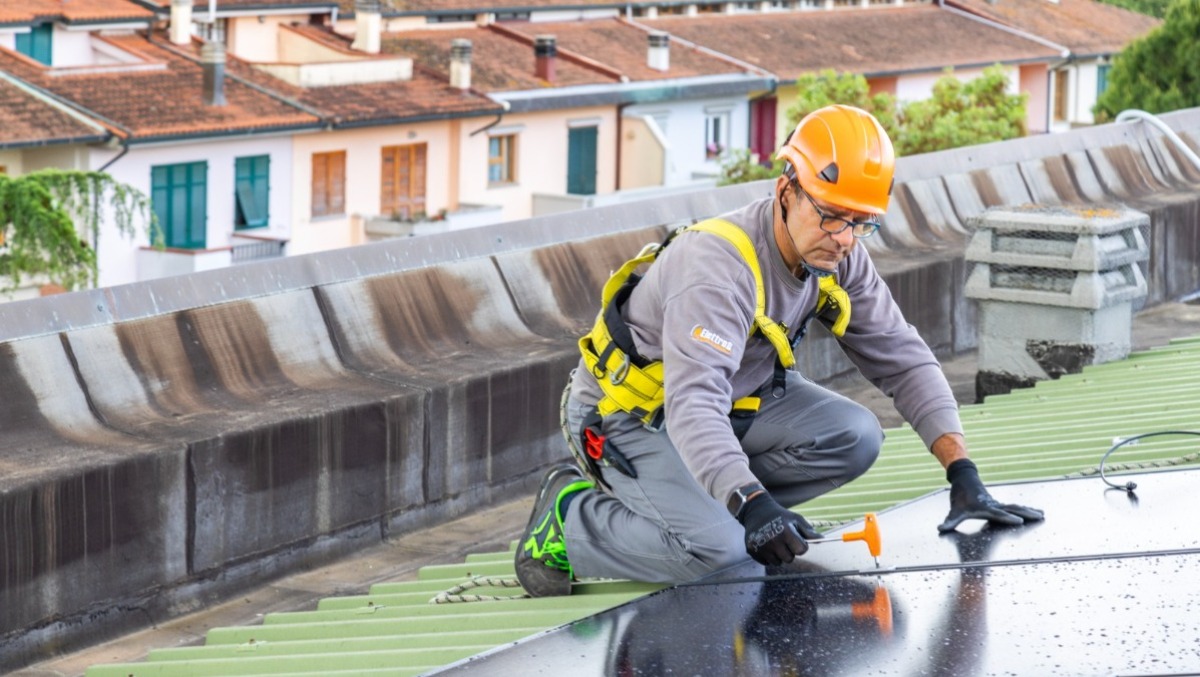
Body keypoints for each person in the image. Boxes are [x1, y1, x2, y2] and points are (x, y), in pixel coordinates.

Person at [514, 104, 1043, 598]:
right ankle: (572, 520)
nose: (845, 238)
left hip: (731, 404)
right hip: (629, 416)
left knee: (856, 437)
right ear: (786, 190)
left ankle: (713, 502)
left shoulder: (837, 256)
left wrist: (963, 473)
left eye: (861, 221)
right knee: (721, 555)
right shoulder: (718, 270)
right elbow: (693, 405)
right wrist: (750, 504)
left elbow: (902, 356)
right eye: (832, 215)